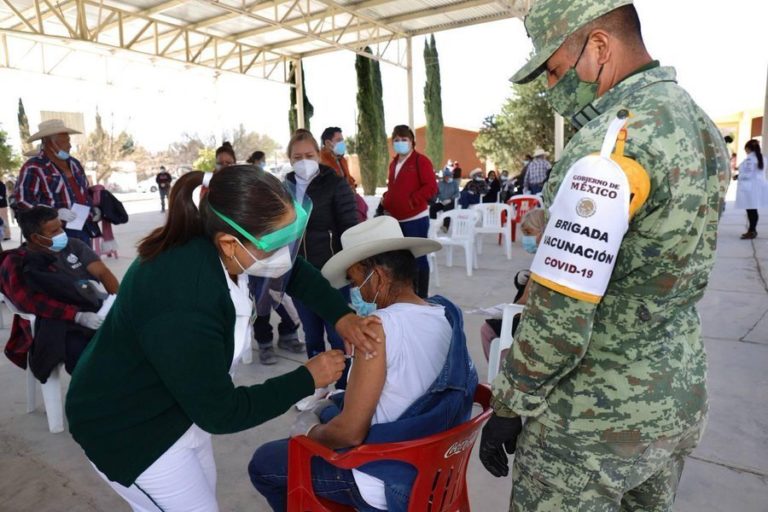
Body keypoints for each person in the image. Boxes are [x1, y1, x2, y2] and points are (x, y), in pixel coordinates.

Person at [479, 2, 729, 511]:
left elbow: (560, 311)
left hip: (592, 423)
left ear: (599, 47)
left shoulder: (610, 145)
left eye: (553, 69)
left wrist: (510, 400)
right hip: (675, 397)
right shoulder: (697, 124)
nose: (552, 88)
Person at [65, 166, 382, 512]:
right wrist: (307, 378)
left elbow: (293, 271)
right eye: (277, 243)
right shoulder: (185, 298)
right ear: (230, 243)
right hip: (128, 429)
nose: (285, 253)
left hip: (181, 408)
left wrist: (342, 315)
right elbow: (221, 413)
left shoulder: (220, 242)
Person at [248, 216, 478, 512]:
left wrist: (308, 435)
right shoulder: (445, 313)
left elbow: (350, 433)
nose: (357, 294)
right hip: (437, 467)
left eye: (357, 281)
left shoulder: (376, 328)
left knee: (265, 463)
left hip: (383, 477)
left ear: (379, 276)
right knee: (330, 407)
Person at [284, 129, 359, 407]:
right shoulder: (285, 187)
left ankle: (343, 387)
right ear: (289, 159)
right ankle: (316, 386)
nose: (304, 161)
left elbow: (350, 228)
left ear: (318, 154)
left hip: (332, 273)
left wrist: (352, 268)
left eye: (309, 155)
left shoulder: (335, 184)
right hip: (299, 274)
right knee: (312, 334)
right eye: (297, 156)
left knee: (337, 332)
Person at [0, 205, 119, 381]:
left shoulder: (73, 246)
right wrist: (77, 316)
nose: (61, 233)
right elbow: (29, 302)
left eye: (61, 227)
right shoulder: (17, 262)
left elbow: (102, 273)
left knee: (129, 338)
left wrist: (118, 301)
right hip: (55, 323)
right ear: (35, 237)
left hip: (94, 309)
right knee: (85, 357)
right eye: (54, 231)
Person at [380, 125, 438, 299]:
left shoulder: (421, 161)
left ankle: (422, 296)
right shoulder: (394, 163)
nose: (400, 143)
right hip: (397, 219)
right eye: (396, 140)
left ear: (412, 141)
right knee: (403, 259)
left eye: (404, 139)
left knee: (418, 257)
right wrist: (387, 199)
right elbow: (394, 187)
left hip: (416, 218)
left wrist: (413, 200)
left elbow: (431, 187)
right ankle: (408, 295)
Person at [480, 209, 546, 360]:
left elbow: (525, 300)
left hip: (532, 321)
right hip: (530, 316)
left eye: (529, 233)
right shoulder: (543, 257)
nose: (526, 239)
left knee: (488, 331)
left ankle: (500, 373)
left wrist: (507, 311)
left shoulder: (545, 260)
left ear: (543, 231)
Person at [14, 119, 93, 245]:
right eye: (63, 142)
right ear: (49, 143)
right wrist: (55, 213)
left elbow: (84, 191)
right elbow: (24, 200)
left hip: (82, 227)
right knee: (61, 264)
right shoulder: (34, 167)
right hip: (55, 232)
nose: (69, 145)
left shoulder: (74, 164)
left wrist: (92, 209)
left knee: (85, 262)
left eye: (68, 141)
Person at [734, 139, 767, 239]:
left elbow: (748, 175)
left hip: (750, 188)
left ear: (748, 148)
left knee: (751, 210)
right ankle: (752, 230)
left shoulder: (750, 159)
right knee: (753, 209)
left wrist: (737, 176)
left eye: (746, 149)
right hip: (757, 187)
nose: (745, 151)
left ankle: (752, 231)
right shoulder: (762, 158)